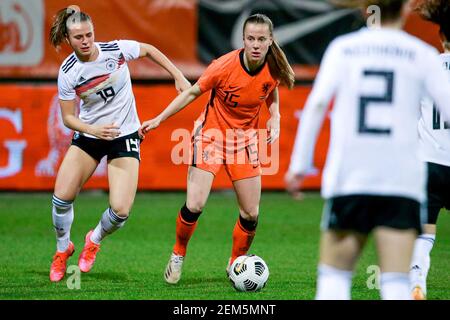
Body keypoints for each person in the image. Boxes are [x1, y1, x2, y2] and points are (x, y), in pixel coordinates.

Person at [285, 0, 450, 300]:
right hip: (401, 184)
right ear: (403, 10)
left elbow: (318, 105)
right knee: (396, 283)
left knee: (334, 279)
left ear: (365, 10)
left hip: (351, 179)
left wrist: (299, 166)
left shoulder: (343, 49)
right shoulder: (422, 56)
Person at [140, 13, 295, 284]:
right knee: (195, 204)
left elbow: (271, 89)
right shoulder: (222, 66)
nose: (255, 44)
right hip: (212, 136)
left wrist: (276, 115)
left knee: (251, 213)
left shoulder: (273, 66)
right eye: (250, 39)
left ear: (270, 41)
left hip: (245, 142)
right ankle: (178, 255)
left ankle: (236, 263)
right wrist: (159, 119)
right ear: (243, 39)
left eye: (261, 39)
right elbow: (190, 93)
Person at [48, 5, 191, 282]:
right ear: (68, 39)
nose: (86, 40)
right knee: (61, 197)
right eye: (79, 37)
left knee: (121, 211)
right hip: (91, 135)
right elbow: (67, 118)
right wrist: (93, 130)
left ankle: (94, 239)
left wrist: (178, 75)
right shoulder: (68, 72)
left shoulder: (115, 50)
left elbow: (149, 49)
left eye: (89, 34)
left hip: (125, 135)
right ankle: (62, 249)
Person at [409, 0, 450, 300]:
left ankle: (417, 283)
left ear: (442, 38)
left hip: (429, 162)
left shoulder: (426, 66)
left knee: (424, 232)